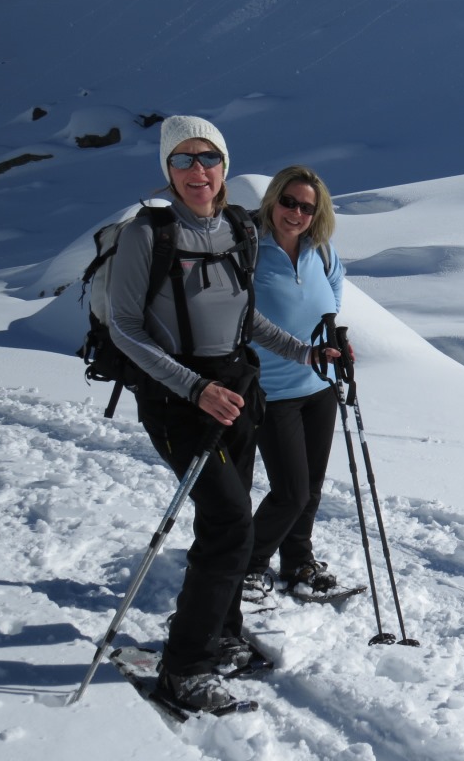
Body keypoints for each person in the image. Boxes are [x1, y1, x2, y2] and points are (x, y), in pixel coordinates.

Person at [107, 117, 337, 710]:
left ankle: (222, 632)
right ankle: (184, 667)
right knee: (233, 522)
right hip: (176, 400)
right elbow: (125, 328)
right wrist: (193, 387)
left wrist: (304, 352)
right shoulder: (146, 234)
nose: (197, 170)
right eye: (182, 159)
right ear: (167, 170)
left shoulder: (238, 228)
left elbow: (245, 317)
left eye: (207, 157)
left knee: (224, 526)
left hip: (236, 392)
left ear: (224, 165)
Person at [243, 165, 346, 602]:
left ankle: (297, 561)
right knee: (290, 492)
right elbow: (236, 308)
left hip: (319, 385)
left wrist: (328, 333)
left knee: (311, 490)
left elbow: (335, 286)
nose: (297, 213)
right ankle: (248, 564)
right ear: (273, 200)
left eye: (307, 207)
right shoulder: (249, 246)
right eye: (289, 202)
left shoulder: (319, 249)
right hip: (272, 389)